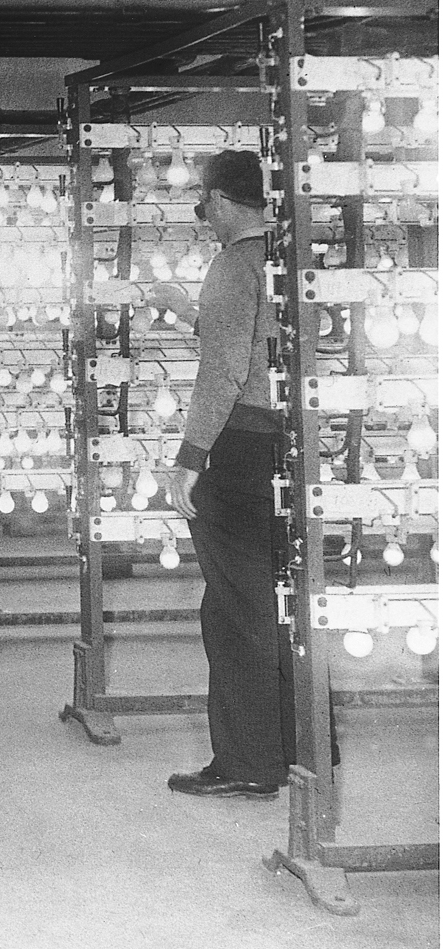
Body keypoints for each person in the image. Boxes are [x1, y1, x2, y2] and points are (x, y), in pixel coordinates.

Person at [153, 150, 295, 800]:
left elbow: (224, 373)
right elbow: (256, 346)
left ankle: (247, 759)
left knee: (235, 609)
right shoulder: (291, 261)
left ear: (220, 200)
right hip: (292, 445)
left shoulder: (233, 264)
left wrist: (189, 457)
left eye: (203, 202)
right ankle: (297, 747)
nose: (202, 214)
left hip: (239, 449)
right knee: (286, 602)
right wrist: (190, 312)